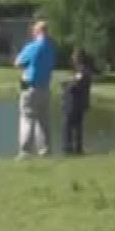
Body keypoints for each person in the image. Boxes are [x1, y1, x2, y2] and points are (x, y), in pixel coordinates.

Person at [14, 20, 56, 158]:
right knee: (43, 120)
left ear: (37, 32)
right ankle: (45, 150)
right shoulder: (51, 47)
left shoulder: (32, 46)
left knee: (27, 118)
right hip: (45, 88)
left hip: (31, 87)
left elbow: (18, 62)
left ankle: (25, 151)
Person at [63, 50, 95, 155]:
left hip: (75, 103)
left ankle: (69, 148)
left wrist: (66, 85)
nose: (72, 59)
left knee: (69, 126)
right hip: (80, 103)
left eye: (74, 57)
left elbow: (75, 86)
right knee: (77, 126)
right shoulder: (83, 71)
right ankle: (77, 148)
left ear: (78, 59)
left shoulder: (82, 71)